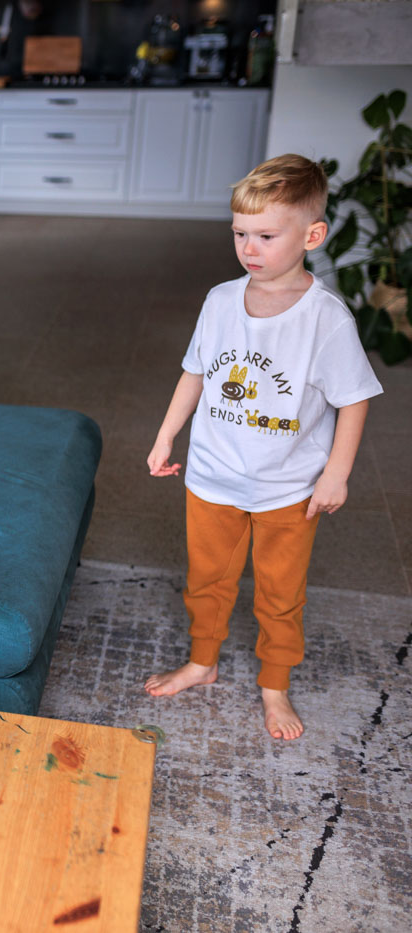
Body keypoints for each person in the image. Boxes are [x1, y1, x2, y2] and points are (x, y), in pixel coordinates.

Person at [143, 154, 383, 740]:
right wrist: (167, 433)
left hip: (288, 488)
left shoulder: (326, 318)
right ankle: (202, 662)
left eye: (266, 236)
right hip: (212, 477)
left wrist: (336, 473)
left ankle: (275, 685)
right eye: (240, 234)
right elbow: (196, 372)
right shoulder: (220, 300)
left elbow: (354, 399)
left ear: (312, 236)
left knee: (279, 594)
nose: (249, 248)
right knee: (206, 581)